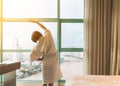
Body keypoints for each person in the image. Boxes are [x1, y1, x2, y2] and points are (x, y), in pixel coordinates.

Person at [30, 20, 63, 86]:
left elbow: (32, 56)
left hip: (45, 63)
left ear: (35, 39)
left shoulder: (37, 45)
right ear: (39, 33)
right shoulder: (48, 36)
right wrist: (37, 22)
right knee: (51, 82)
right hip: (53, 62)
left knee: (45, 81)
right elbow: (44, 28)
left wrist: (40, 59)